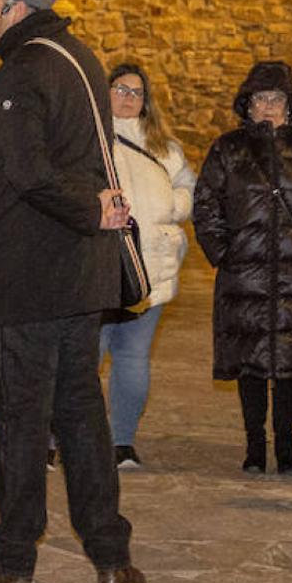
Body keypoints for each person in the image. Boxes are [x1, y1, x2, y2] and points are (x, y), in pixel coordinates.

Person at [0, 0, 142, 583]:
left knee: (22, 417)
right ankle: (112, 560)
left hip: (32, 273)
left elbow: (33, 175)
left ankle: (11, 563)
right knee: (82, 413)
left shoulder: (26, 67)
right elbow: (61, 150)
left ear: (10, 6)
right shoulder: (78, 55)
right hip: (79, 273)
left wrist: (90, 207)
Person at [194, 61, 292, 478]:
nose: (269, 107)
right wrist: (224, 252)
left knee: (290, 360)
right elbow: (206, 204)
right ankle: (255, 444)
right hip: (246, 272)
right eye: (261, 99)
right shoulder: (228, 149)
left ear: (290, 105)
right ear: (249, 105)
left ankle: (287, 443)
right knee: (252, 360)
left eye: (277, 99)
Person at [100, 61, 194, 470]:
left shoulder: (165, 147)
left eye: (136, 92)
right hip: (100, 264)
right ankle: (60, 438)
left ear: (146, 101)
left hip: (150, 264)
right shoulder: (88, 138)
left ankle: (122, 442)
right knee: (84, 356)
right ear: (106, 92)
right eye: (120, 89)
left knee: (133, 356)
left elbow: (188, 188)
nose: (127, 98)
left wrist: (172, 208)